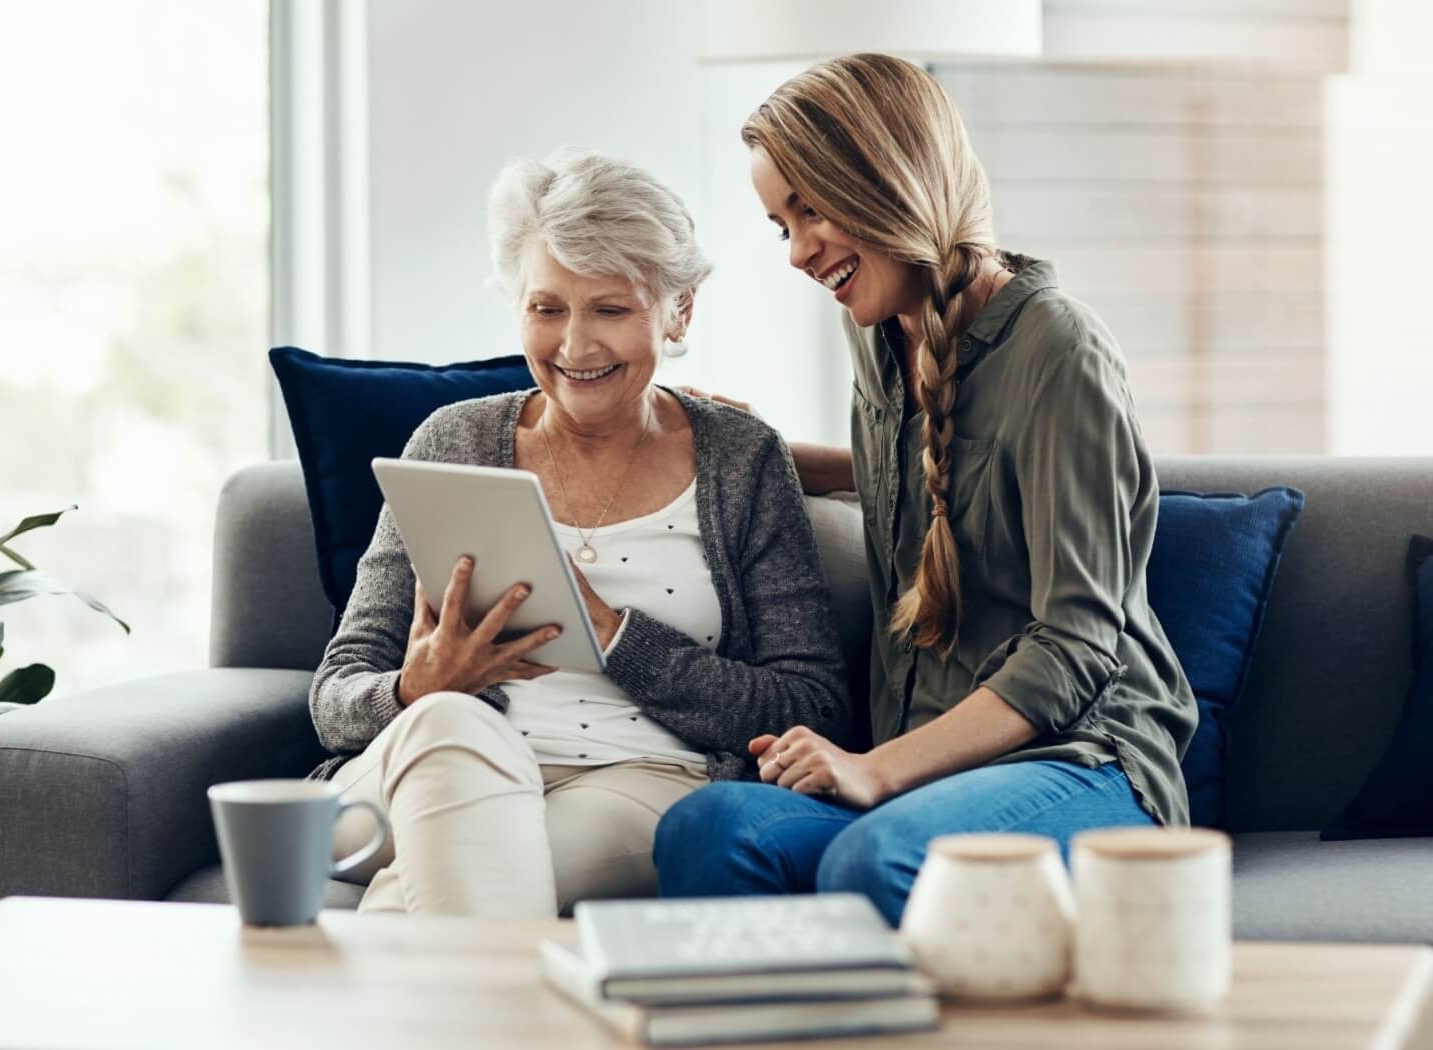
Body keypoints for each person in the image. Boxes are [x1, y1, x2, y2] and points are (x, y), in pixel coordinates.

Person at [656, 54, 1198, 925]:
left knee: (878, 858)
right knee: (708, 828)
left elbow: (1078, 643)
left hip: (1082, 761)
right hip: (927, 769)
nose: (798, 252)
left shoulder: (1058, 351)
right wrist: (757, 453)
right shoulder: (877, 332)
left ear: (889, 180)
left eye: (813, 209)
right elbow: (929, 475)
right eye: (778, 224)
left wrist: (877, 768)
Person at [309, 150, 850, 918]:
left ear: (679, 311)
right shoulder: (450, 440)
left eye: (611, 309)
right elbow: (334, 693)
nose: (576, 346)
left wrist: (618, 636)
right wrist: (415, 688)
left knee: (449, 881)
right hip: (425, 756)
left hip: (640, 779)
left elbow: (814, 704)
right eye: (547, 308)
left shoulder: (741, 459)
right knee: (454, 737)